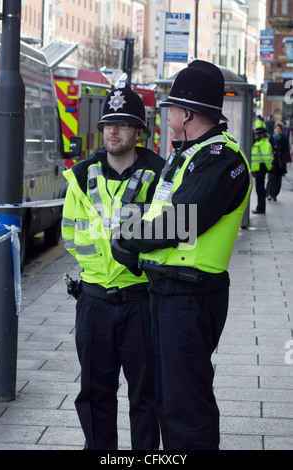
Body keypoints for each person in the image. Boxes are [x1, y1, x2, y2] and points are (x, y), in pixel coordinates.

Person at [111, 59, 253, 450]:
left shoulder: (222, 160)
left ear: (187, 112)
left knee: (186, 405)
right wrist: (130, 234)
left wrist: (130, 240)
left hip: (191, 296)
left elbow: (182, 220)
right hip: (166, 293)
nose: (169, 114)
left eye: (172, 107)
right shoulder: (187, 154)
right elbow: (156, 210)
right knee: (165, 399)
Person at [61, 81, 164, 450]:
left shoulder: (161, 177)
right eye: (108, 124)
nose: (113, 131)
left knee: (147, 397)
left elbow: (172, 237)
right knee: (93, 395)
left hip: (141, 300)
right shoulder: (81, 176)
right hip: (93, 301)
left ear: (139, 131)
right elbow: (71, 236)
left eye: (122, 124)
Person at [251, 124, 274, 214]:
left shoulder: (264, 143)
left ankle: (260, 208)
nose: (255, 136)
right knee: (259, 189)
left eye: (257, 134)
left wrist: (269, 168)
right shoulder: (259, 143)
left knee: (260, 190)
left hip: (261, 169)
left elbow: (267, 158)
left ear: (261, 134)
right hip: (258, 169)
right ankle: (260, 207)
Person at [266, 123, 291, 201]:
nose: (278, 130)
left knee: (278, 179)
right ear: (274, 130)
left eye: (279, 129)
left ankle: (275, 194)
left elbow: (286, 151)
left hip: (281, 163)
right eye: (276, 129)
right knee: (271, 178)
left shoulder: (284, 139)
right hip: (272, 162)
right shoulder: (270, 139)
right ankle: (269, 194)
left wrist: (288, 161)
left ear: (281, 131)